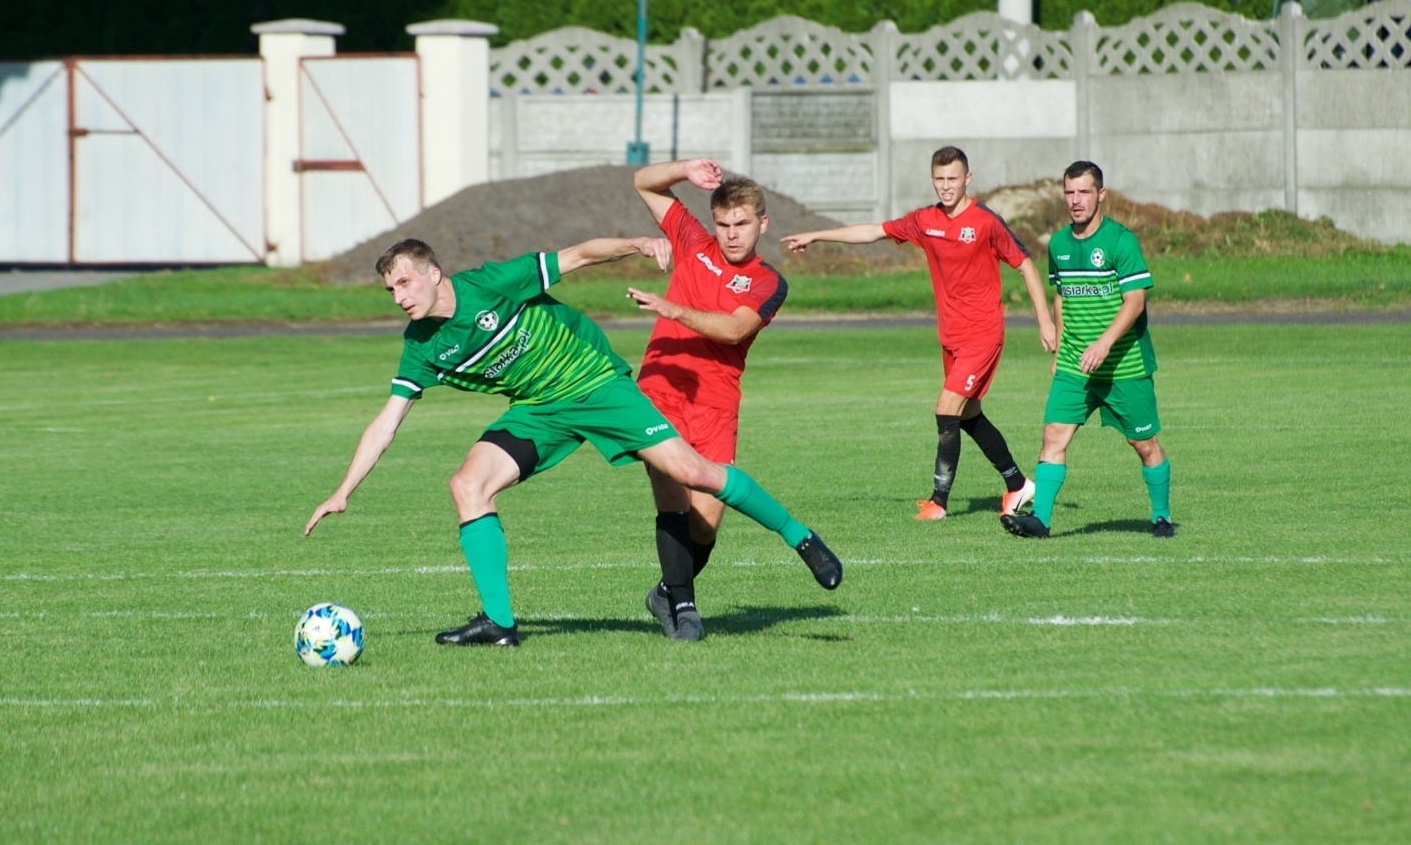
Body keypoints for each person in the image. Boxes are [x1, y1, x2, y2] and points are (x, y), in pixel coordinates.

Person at [303, 236, 841, 647]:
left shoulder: (489, 284)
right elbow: (387, 422)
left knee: (693, 472)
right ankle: (500, 624)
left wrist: (637, 244)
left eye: (404, 283)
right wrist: (343, 490)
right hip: (539, 409)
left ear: (434, 273)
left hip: (595, 382)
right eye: (391, 290)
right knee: (468, 485)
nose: (399, 297)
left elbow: (579, 255)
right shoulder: (421, 346)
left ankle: (801, 538)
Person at [782, 145, 1056, 521]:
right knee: (967, 414)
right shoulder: (925, 220)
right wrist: (816, 235)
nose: (946, 186)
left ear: (968, 179)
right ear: (932, 180)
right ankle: (1017, 484)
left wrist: (1044, 320)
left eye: (953, 178)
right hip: (951, 336)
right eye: (939, 179)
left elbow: (1025, 264)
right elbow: (873, 231)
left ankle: (938, 503)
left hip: (982, 333)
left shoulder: (985, 222)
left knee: (945, 409)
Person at [625, 158, 788, 642]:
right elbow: (642, 183)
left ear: (762, 224)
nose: (732, 234)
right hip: (661, 391)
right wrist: (687, 169)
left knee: (706, 525)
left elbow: (736, 329)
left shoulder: (768, 282)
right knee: (673, 498)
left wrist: (673, 309)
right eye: (723, 224)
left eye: (742, 224)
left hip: (716, 404)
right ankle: (686, 612)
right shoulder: (692, 242)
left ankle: (665, 593)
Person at [999, 160, 1175, 540]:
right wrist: (1060, 348)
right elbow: (1062, 297)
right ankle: (1040, 521)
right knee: (1053, 436)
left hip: (1124, 364)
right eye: (1069, 192)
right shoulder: (1059, 245)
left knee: (1144, 444)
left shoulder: (1121, 241)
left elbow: (1135, 301)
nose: (1075, 200)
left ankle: (1161, 516)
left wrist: (1104, 343)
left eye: (1084, 192)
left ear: (1101, 194)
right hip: (1075, 364)